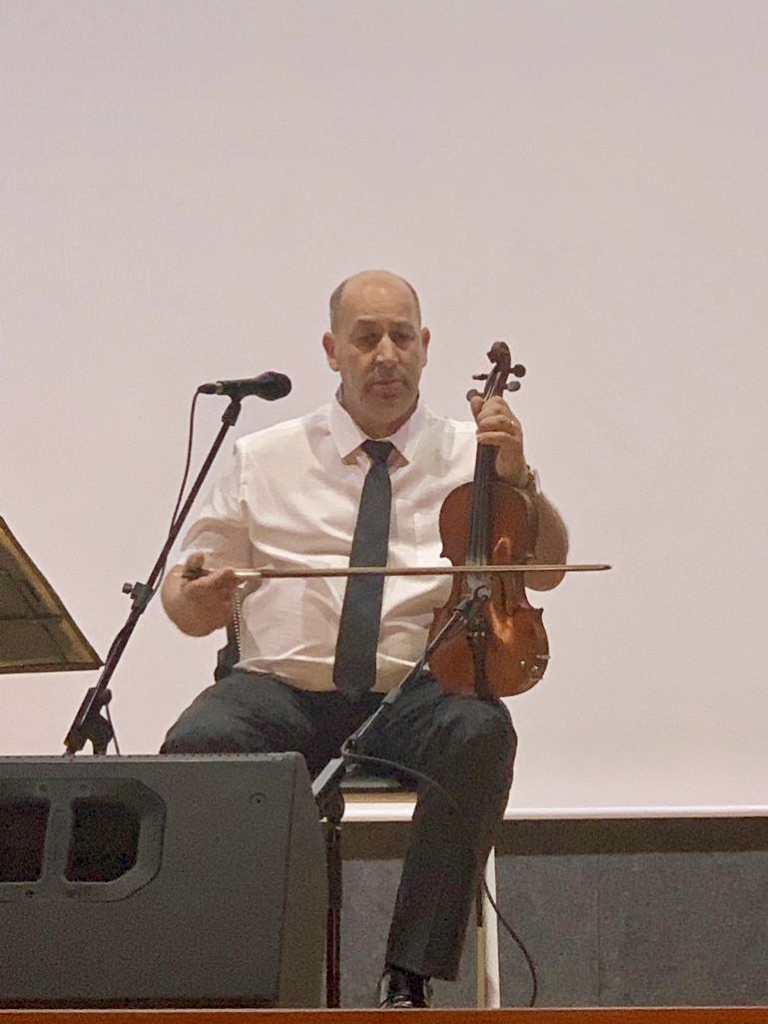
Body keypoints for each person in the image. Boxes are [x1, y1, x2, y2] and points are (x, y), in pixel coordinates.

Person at [160, 269, 568, 1008]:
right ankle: (229, 978)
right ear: (332, 350)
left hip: (413, 695)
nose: (386, 355)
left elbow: (547, 573)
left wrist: (521, 477)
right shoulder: (264, 456)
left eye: (401, 337)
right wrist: (193, 594)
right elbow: (188, 597)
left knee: (480, 732)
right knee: (198, 744)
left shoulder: (473, 453)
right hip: (282, 691)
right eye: (366, 337)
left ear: (425, 346)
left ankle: (408, 975)